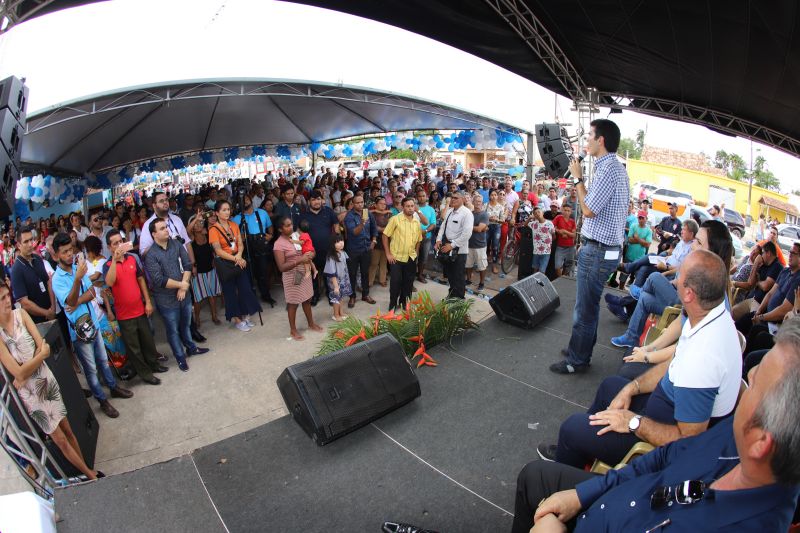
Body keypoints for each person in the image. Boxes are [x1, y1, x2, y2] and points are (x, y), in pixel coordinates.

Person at [514, 317, 800, 533]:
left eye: (757, 379)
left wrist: (635, 421)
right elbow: (664, 457)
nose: (747, 371)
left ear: (762, 442)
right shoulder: (734, 438)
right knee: (535, 476)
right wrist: (582, 495)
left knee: (568, 437)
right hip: (618, 497)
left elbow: (681, 435)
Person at [538, 250, 740, 470]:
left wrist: (633, 422)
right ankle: (579, 449)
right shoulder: (709, 316)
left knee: (572, 428)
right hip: (666, 408)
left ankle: (563, 479)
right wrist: (632, 388)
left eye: (679, 276)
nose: (675, 279)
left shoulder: (703, 357)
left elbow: (688, 442)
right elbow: (672, 366)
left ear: (689, 294)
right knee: (612, 386)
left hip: (657, 442)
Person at [0, 282, 102, 480]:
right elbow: (18, 372)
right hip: (31, 395)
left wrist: (25, 368)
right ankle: (90, 475)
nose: (7, 301)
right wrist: (31, 364)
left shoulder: (20, 314)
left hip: (46, 380)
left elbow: (43, 348)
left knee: (69, 431)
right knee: (60, 440)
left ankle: (85, 470)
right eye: (1, 299)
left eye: (7, 296)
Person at [553, 119, 629, 374]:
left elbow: (588, 209)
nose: (585, 140)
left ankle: (577, 360)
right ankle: (580, 347)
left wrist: (577, 180)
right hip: (598, 248)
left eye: (589, 136)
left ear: (601, 140)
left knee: (585, 310)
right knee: (586, 306)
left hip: (598, 251)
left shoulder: (609, 170)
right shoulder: (610, 168)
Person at [611, 220, 732, 348]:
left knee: (654, 277)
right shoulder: (702, 269)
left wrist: (648, 354)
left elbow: (687, 323)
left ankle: (632, 298)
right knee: (645, 297)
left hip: (680, 307)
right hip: (681, 307)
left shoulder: (712, 285)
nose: (693, 246)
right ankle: (631, 337)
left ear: (713, 251)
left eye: (699, 242)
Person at [51, 232, 132, 418]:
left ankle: (113, 387)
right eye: (64, 252)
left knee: (104, 361)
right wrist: (78, 281)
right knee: (91, 369)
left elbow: (91, 294)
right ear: (56, 255)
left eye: (70, 250)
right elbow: (69, 301)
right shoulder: (57, 279)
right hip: (80, 332)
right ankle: (102, 400)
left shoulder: (77, 267)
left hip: (94, 322)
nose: (69, 255)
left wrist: (76, 300)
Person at [103, 230, 167, 385]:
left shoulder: (132, 258)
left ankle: (154, 364)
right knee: (134, 348)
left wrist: (148, 301)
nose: (119, 245)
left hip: (140, 309)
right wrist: (115, 260)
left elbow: (141, 280)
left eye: (121, 241)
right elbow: (110, 282)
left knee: (148, 341)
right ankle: (145, 374)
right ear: (109, 247)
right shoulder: (107, 265)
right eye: (115, 243)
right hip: (125, 315)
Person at [145, 219, 209, 372]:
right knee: (173, 330)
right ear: (154, 234)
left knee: (186, 324)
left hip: (183, 295)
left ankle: (191, 348)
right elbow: (158, 279)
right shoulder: (151, 254)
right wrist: (181, 285)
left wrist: (183, 285)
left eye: (166, 227)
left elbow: (187, 264)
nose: (166, 230)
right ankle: (180, 357)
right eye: (162, 228)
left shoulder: (176, 244)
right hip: (166, 300)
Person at [208, 200, 262, 331]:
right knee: (230, 292)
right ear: (217, 212)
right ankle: (237, 319)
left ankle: (245, 315)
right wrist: (235, 258)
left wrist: (238, 256)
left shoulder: (234, 225)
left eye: (228, 209)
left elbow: (240, 243)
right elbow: (218, 250)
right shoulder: (213, 229)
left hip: (238, 259)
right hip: (225, 263)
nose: (227, 212)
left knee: (245, 288)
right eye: (223, 210)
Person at [273, 216, 323, 341]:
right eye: (287, 225)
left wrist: (312, 254)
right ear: (280, 229)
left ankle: (311, 324)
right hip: (291, 275)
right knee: (293, 303)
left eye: (291, 224)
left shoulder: (296, 236)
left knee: (307, 299)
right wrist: (300, 260)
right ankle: (293, 330)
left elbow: (309, 249)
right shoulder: (278, 244)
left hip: (303, 272)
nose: (291, 227)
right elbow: (281, 267)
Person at [232, 193, 275, 306]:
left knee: (263, 273)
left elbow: (270, 227)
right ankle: (252, 299)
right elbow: (234, 238)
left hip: (262, 247)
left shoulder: (262, 212)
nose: (244, 202)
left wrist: (270, 235)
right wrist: (242, 237)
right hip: (247, 249)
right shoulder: (237, 218)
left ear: (250, 200)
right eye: (241, 200)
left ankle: (266, 295)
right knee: (249, 275)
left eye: (246, 199)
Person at [298, 190, 339, 306]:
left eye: (318, 199)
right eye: (313, 199)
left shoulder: (329, 212)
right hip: (311, 252)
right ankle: (315, 295)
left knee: (329, 274)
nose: (316, 202)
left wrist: (337, 244)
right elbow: (298, 232)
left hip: (328, 250)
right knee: (313, 275)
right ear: (308, 202)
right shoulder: (303, 216)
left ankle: (330, 295)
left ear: (322, 200)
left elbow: (336, 226)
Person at [383, 197, 423, 311]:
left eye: (412, 206)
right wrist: (388, 254)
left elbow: (419, 240)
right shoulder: (395, 219)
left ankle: (404, 302)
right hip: (396, 258)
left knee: (408, 282)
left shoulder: (416, 221)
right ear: (402, 207)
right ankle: (392, 304)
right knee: (395, 283)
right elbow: (385, 235)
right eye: (408, 206)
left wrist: (416, 253)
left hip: (411, 257)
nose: (410, 208)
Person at [10, 226, 56, 324]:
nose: (30, 244)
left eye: (31, 240)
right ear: (18, 245)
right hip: (36, 322)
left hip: (51, 312)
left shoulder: (37, 258)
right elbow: (25, 303)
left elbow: (48, 282)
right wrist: (46, 313)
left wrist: (53, 307)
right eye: (26, 242)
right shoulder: (16, 270)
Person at [435, 190, 474, 299]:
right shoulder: (449, 211)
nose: (452, 199)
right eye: (452, 197)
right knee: (450, 276)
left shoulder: (467, 213)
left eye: (456, 198)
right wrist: (438, 240)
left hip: (459, 251)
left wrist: (452, 245)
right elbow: (443, 226)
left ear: (462, 199)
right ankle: (452, 296)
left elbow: (467, 234)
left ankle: (459, 301)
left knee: (458, 277)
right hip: (447, 248)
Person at [343, 195, 378, 309]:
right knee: (352, 274)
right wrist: (362, 223)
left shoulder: (367, 212)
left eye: (362, 202)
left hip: (366, 248)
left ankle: (365, 295)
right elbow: (354, 232)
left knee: (365, 273)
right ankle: (352, 296)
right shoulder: (349, 216)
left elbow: (374, 227)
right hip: (353, 250)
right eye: (357, 203)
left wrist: (374, 240)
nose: (360, 204)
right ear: (353, 204)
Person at [188, 215, 221, 326]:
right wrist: (195, 219)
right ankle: (197, 319)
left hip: (211, 270)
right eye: (196, 224)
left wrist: (214, 260)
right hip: (198, 273)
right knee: (198, 299)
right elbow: (187, 229)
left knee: (212, 295)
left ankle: (214, 316)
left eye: (200, 223)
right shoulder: (191, 239)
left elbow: (213, 251)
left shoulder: (207, 234)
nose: (199, 225)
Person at [138, 191, 192, 257]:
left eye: (166, 200)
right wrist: (159, 243)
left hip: (185, 263)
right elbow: (143, 253)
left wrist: (193, 264)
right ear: (154, 206)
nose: (165, 202)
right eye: (161, 201)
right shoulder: (148, 225)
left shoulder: (177, 219)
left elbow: (187, 242)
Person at [324, 235, 351, 321]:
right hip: (335, 281)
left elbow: (345, 266)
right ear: (332, 244)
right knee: (336, 298)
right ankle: (336, 315)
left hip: (342, 279)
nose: (341, 243)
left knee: (341, 297)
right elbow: (331, 273)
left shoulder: (343, 252)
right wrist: (336, 286)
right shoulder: (331, 257)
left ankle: (341, 312)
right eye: (338, 242)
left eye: (342, 240)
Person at [465, 194, 489, 290]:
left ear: (482, 203)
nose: (478, 203)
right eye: (476, 201)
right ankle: (468, 279)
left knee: (482, 266)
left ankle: (482, 283)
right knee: (468, 264)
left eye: (480, 201)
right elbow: (479, 228)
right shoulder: (469, 213)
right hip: (469, 244)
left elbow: (479, 229)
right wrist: (479, 228)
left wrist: (469, 227)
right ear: (473, 202)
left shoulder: (484, 214)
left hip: (480, 245)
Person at [368, 196, 391, 288]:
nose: (383, 205)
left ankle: (382, 279)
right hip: (375, 240)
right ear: (375, 205)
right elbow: (365, 214)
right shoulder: (371, 214)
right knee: (373, 262)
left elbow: (391, 226)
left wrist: (382, 229)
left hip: (386, 240)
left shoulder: (389, 214)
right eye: (381, 204)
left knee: (384, 262)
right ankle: (370, 281)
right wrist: (375, 211)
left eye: (384, 204)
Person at [415, 189, 437, 284]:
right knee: (413, 258)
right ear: (417, 197)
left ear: (426, 197)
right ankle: (411, 276)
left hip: (426, 237)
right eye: (419, 196)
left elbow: (433, 224)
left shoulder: (431, 209)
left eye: (423, 196)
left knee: (423, 258)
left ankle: (420, 275)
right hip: (414, 238)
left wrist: (426, 231)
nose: (421, 198)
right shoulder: (413, 208)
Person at [552, 204, 576, 278]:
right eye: (565, 210)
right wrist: (559, 231)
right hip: (560, 246)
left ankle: (564, 279)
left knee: (568, 265)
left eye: (568, 211)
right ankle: (561, 278)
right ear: (562, 210)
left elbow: (574, 235)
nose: (566, 212)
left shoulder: (572, 221)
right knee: (557, 266)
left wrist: (565, 232)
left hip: (570, 247)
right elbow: (551, 226)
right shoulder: (558, 217)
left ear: (571, 212)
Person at [528, 207, 555, 274]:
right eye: (535, 213)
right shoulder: (534, 224)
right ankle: (535, 282)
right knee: (535, 269)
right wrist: (529, 218)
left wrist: (551, 238)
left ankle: (540, 283)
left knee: (542, 271)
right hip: (536, 251)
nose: (537, 214)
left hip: (546, 251)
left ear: (542, 212)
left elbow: (554, 236)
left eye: (538, 212)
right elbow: (525, 224)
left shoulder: (549, 223)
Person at [486, 189, 506, 275]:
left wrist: (498, 219)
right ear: (489, 196)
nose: (493, 196)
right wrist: (489, 219)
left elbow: (503, 220)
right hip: (487, 227)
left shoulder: (500, 207)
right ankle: (484, 263)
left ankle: (494, 265)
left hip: (497, 227)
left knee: (495, 246)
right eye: (492, 195)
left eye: (495, 195)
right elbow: (482, 217)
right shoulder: (485, 206)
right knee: (486, 245)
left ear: (497, 196)